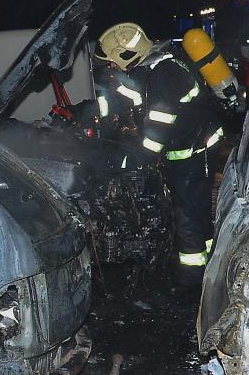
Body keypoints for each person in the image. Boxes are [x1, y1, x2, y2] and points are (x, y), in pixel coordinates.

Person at [95, 21, 241, 285]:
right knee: (196, 210)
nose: (112, 68)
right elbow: (134, 98)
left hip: (193, 152)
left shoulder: (164, 76)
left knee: (187, 214)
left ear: (126, 55)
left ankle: (193, 277)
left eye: (112, 62)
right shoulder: (156, 66)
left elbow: (157, 132)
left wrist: (133, 159)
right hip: (191, 146)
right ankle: (210, 259)